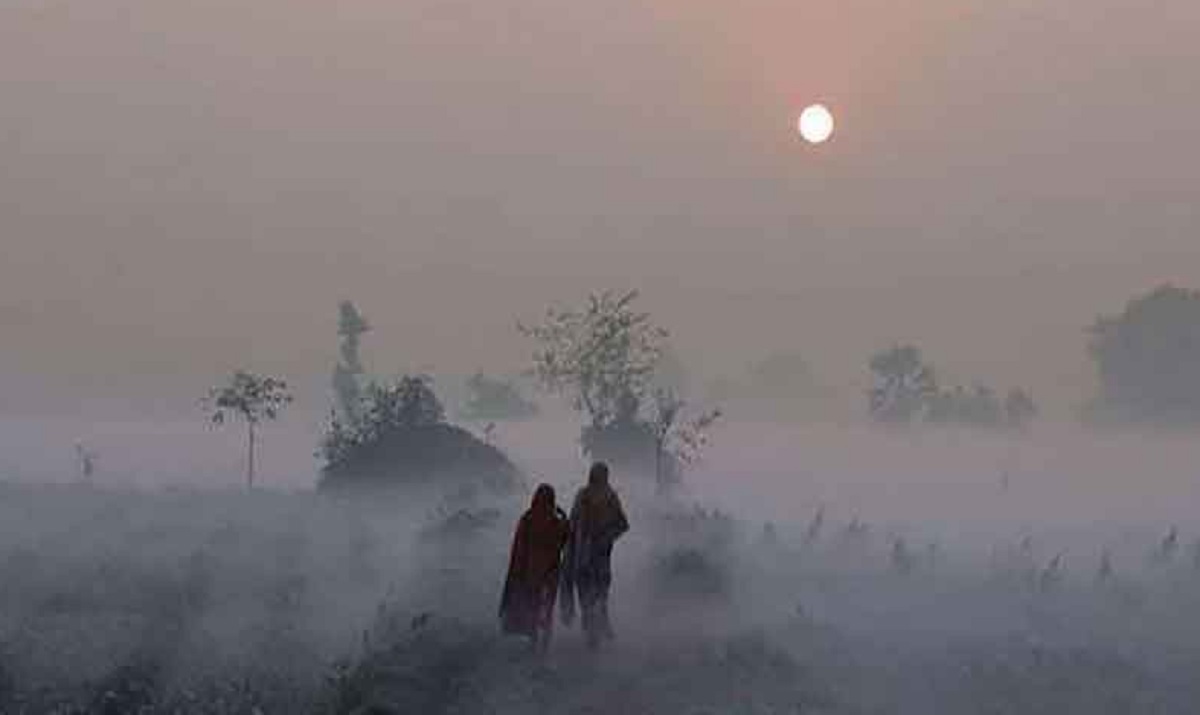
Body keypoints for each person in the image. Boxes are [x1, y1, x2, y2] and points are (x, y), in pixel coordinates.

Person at [561, 462, 629, 650]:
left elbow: (622, 524)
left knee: (592, 595)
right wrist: (607, 537)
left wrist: (605, 537)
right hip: (592, 555)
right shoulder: (605, 496)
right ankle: (594, 632)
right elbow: (622, 525)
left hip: (590, 555)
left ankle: (593, 632)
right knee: (596, 594)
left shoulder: (594, 496)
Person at [499, 484, 570, 653]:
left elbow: (519, 547)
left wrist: (516, 572)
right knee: (547, 609)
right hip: (551, 573)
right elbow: (565, 540)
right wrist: (563, 516)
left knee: (533, 607)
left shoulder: (528, 519)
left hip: (531, 573)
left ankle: (533, 641)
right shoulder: (555, 522)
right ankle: (544, 643)